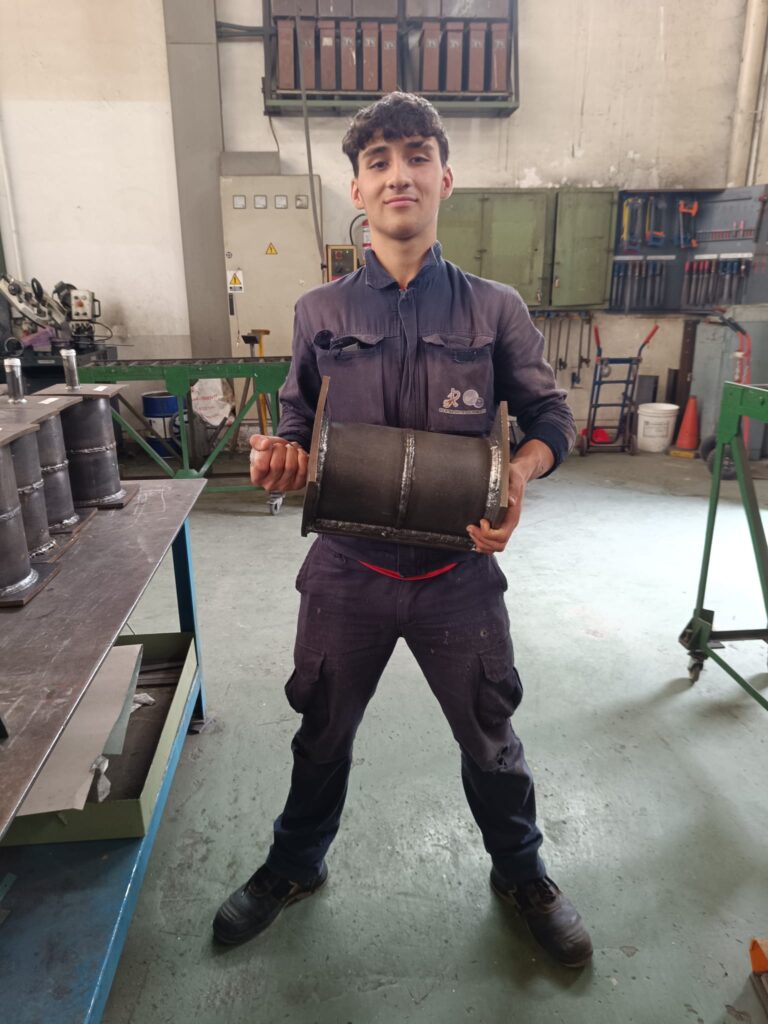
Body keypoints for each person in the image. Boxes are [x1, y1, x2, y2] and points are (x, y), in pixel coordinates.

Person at [213, 92, 592, 968]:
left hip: (457, 575)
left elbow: (550, 418)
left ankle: (522, 873)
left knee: (491, 735)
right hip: (346, 571)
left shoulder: (495, 309)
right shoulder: (319, 311)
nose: (399, 175)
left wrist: (520, 474)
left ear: (444, 179)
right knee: (321, 730)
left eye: (417, 156)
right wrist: (281, 457)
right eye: (379, 161)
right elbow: (300, 424)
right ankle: (295, 864)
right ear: (357, 186)